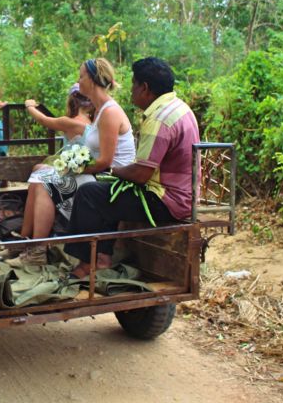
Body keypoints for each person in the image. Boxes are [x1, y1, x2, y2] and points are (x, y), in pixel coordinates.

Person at [65, 57, 200, 278]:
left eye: (134, 85)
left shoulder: (158, 119)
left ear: (145, 88)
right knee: (106, 193)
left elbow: (141, 174)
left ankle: (85, 264)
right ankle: (103, 257)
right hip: (184, 195)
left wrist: (111, 171)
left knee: (89, 194)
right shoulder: (179, 107)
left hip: (165, 199)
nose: (131, 92)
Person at [21, 58, 135, 239]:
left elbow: (105, 161)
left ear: (91, 79)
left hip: (111, 181)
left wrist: (68, 169)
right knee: (40, 176)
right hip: (98, 174)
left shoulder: (110, 112)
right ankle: (26, 241)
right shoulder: (99, 111)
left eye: (81, 76)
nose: (78, 80)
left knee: (44, 182)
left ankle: (37, 250)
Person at [19, 83, 95, 238]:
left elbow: (43, 119)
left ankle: (27, 238)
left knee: (39, 177)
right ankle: (25, 238)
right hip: (81, 171)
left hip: (78, 175)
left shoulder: (71, 123)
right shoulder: (95, 123)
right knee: (38, 170)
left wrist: (30, 106)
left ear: (71, 101)